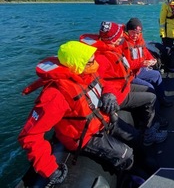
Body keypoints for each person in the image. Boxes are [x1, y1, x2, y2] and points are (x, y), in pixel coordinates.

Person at [18, 41, 136, 186]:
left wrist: (109, 93)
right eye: (90, 61)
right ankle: (127, 181)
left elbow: (105, 83)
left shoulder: (87, 72)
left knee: (135, 137)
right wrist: (50, 170)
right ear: (77, 66)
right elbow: (29, 136)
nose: (95, 63)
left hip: (102, 122)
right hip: (84, 136)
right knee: (126, 155)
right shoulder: (55, 95)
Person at [80, 22, 168, 143]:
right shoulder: (101, 57)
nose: (122, 38)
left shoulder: (113, 48)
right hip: (117, 94)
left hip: (124, 84)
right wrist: (108, 93)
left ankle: (151, 122)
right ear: (113, 39)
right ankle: (148, 134)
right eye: (119, 37)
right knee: (151, 97)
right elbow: (96, 80)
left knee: (151, 89)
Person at [122, 18, 173, 108]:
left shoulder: (139, 40)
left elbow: (145, 51)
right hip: (130, 74)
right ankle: (155, 113)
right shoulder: (124, 44)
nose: (135, 35)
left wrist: (152, 59)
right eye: (133, 32)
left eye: (138, 33)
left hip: (138, 70)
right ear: (127, 31)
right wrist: (142, 64)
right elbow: (126, 65)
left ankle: (162, 99)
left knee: (157, 75)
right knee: (150, 87)